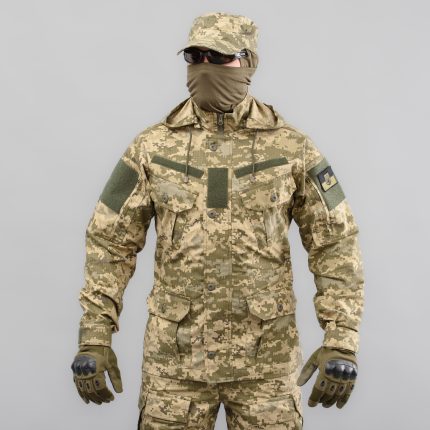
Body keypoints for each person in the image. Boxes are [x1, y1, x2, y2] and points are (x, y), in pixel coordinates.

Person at [71, 11, 364, 429]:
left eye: (221, 57)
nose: (205, 66)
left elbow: (335, 243)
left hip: (266, 363)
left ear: (249, 62)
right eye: (196, 56)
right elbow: (109, 241)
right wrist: (95, 336)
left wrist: (341, 339)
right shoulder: (152, 148)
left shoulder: (291, 149)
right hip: (175, 366)